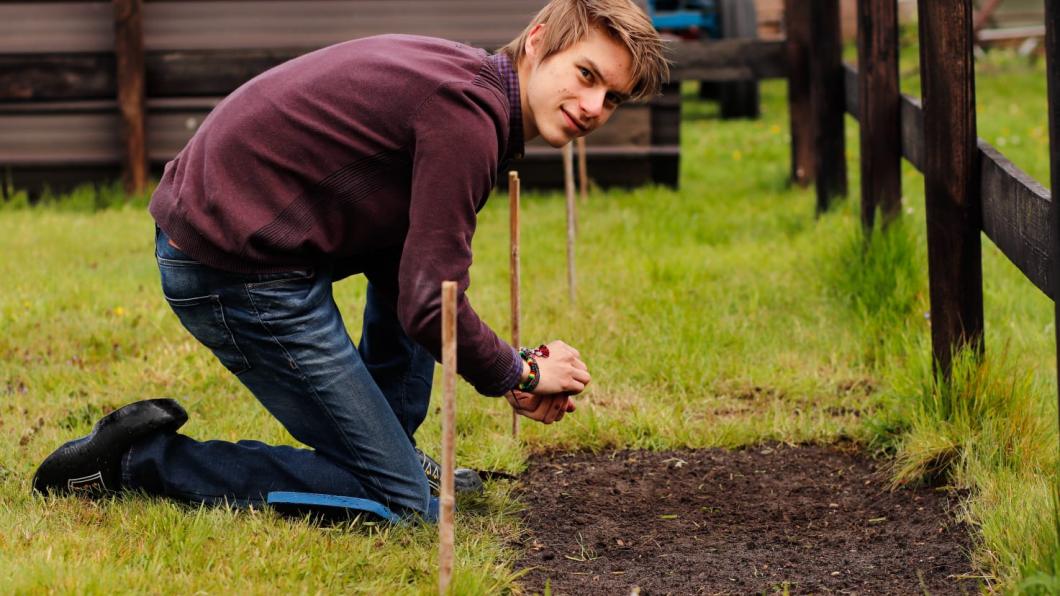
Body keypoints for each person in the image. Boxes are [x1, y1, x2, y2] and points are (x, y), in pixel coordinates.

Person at [32, 0, 668, 520]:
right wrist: (519, 375)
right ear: (537, 42)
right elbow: (430, 303)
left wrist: (507, 366)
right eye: (587, 76)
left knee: (413, 264)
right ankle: (134, 463)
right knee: (400, 506)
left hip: (260, 244)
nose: (593, 109)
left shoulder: (472, 90)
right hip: (231, 269)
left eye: (612, 99)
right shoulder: (467, 116)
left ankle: (388, 447)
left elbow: (416, 270)